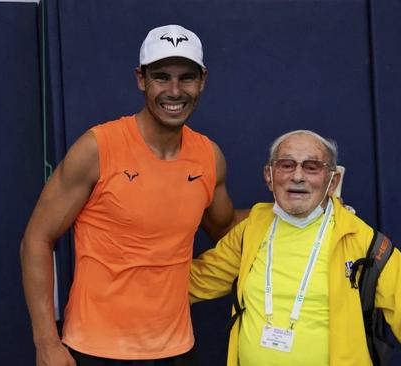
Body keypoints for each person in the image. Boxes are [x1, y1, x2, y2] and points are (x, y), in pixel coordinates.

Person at [21, 24, 245, 366]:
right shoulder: (98, 147)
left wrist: (294, 210)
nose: (174, 91)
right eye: (161, 77)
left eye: (186, 77)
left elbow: (226, 229)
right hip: (95, 350)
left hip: (176, 349)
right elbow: (37, 238)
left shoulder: (208, 157)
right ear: (141, 79)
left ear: (202, 80)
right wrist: (46, 342)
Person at [189, 130, 401, 366]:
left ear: (333, 181)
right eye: (286, 165)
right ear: (269, 176)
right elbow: (194, 282)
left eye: (312, 167)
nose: (298, 176)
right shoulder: (252, 229)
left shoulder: (361, 242)